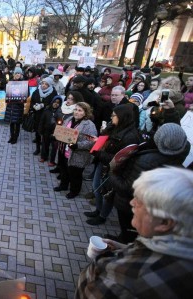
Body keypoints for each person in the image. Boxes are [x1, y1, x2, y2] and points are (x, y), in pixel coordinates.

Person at [76, 167, 193, 299]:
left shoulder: (126, 283)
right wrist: (123, 249)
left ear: (164, 223)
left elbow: (87, 292)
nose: (132, 203)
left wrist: (102, 259)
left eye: (139, 202)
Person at [107, 123, 190, 243]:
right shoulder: (181, 152)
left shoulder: (147, 160)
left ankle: (122, 244)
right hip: (155, 203)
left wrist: (112, 173)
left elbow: (127, 188)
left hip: (130, 203)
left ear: (158, 140)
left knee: (128, 230)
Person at [85, 104, 141, 225]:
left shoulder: (130, 136)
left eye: (114, 115)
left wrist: (98, 153)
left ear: (122, 117)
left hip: (114, 169)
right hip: (103, 163)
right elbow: (105, 139)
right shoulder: (114, 126)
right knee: (96, 187)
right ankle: (98, 210)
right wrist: (98, 140)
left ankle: (102, 216)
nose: (111, 117)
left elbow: (119, 158)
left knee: (107, 194)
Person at [54, 102, 97, 199]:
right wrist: (56, 136)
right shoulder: (69, 119)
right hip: (64, 150)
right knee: (64, 170)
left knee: (75, 175)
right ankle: (63, 186)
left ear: (85, 113)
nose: (76, 112)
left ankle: (74, 191)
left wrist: (78, 145)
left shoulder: (89, 125)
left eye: (80, 110)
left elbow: (92, 142)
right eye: (75, 109)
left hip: (77, 154)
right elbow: (63, 131)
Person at [30, 77, 58, 157]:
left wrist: (43, 105)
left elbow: (54, 104)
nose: (44, 85)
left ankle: (45, 151)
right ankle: (38, 148)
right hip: (37, 115)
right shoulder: (37, 91)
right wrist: (34, 106)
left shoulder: (53, 92)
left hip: (47, 116)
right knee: (37, 133)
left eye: (46, 84)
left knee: (46, 134)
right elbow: (32, 101)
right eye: (43, 83)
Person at [4, 67, 26, 144]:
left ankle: (15, 137)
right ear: (14, 74)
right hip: (11, 106)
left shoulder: (24, 83)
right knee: (11, 123)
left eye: (19, 73)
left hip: (18, 106)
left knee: (17, 123)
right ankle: (11, 136)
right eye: (16, 73)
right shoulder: (10, 82)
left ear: (21, 75)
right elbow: (6, 91)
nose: (17, 75)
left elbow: (27, 94)